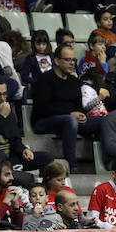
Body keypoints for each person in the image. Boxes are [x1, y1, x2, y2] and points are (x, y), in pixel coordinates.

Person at [31, 44, 101, 174]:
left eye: (74, 60)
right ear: (57, 61)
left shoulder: (74, 81)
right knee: (70, 120)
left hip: (70, 120)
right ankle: (71, 164)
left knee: (105, 121)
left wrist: (82, 114)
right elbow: (43, 107)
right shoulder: (44, 79)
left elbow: (79, 106)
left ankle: (106, 162)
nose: (72, 63)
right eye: (68, 59)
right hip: (44, 121)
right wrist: (70, 114)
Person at [0, 79, 52, 171]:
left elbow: (16, 139)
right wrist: (2, 116)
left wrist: (24, 150)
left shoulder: (7, 110)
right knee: (1, 157)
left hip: (11, 156)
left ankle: (14, 168)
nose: (2, 98)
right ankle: (13, 169)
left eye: (5, 94)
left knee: (47, 157)